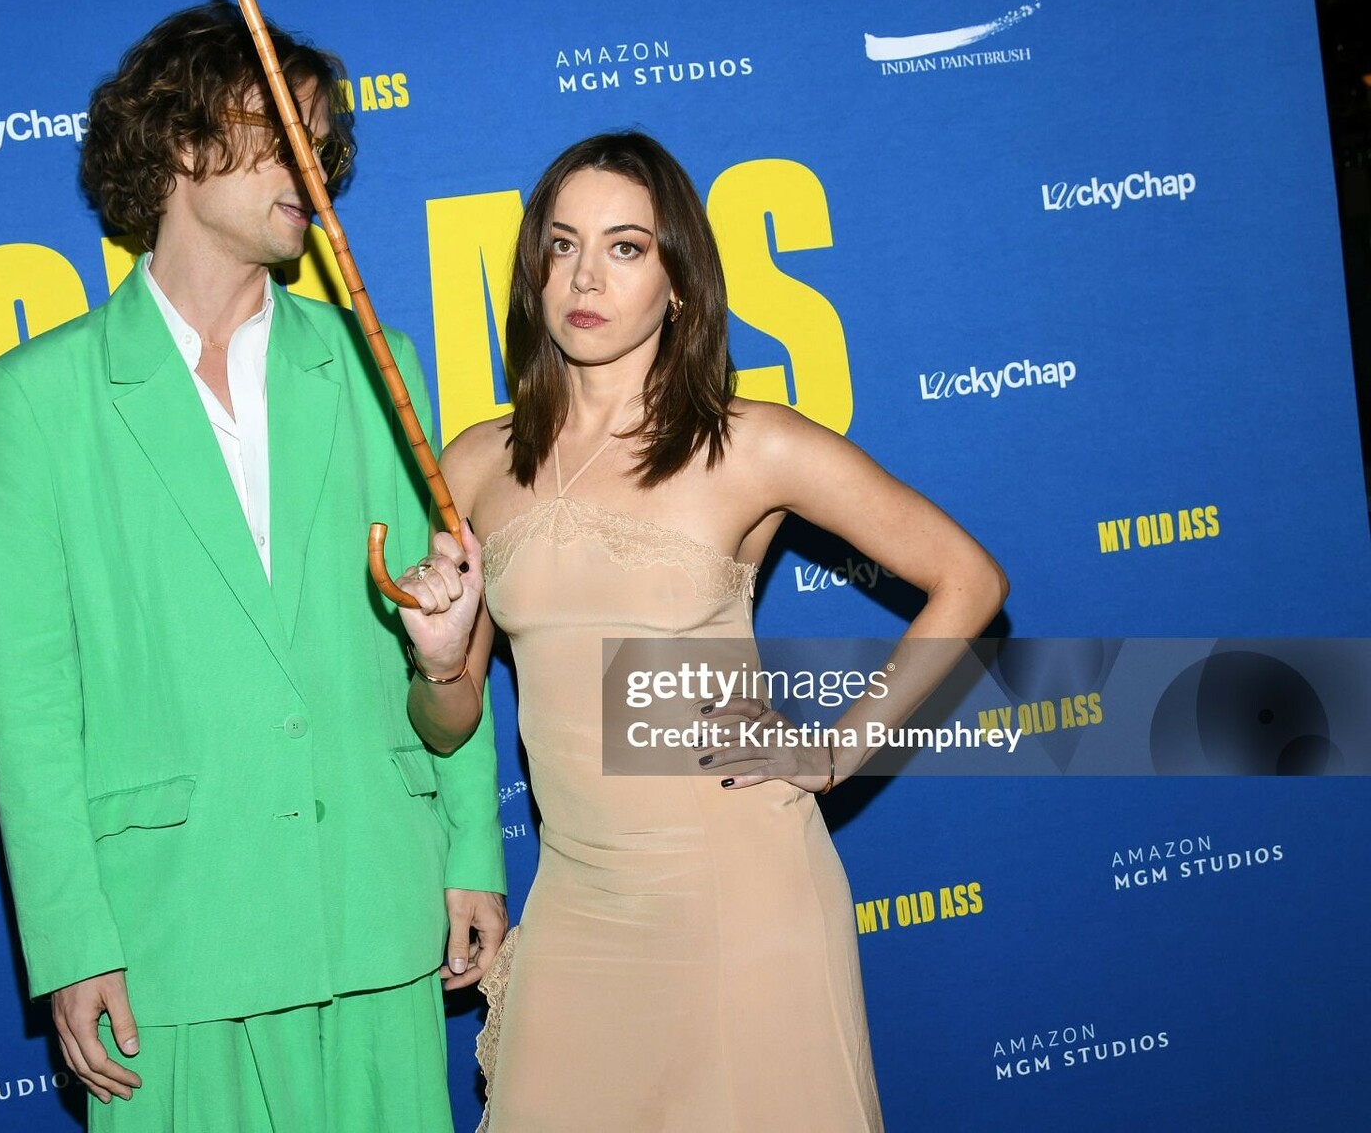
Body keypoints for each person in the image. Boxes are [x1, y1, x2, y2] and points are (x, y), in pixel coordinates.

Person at [397, 131, 1008, 1131]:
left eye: (626, 247)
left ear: (679, 282)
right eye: (562, 245)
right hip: (579, 898)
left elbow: (969, 579)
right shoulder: (475, 464)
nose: (586, 276)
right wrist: (434, 663)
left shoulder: (749, 443)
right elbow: (450, 719)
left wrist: (836, 752)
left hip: (740, 895)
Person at [0, 3, 507, 1132]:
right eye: (280, 132)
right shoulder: (38, 398)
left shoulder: (374, 363)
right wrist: (71, 940)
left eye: (323, 144)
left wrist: (472, 847)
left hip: (376, 906)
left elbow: (447, 618)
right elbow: (30, 703)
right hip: (172, 938)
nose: (312, 168)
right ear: (178, 140)